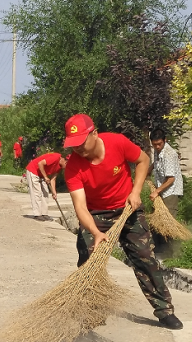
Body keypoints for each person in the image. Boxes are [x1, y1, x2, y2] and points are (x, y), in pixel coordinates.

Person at [62, 113, 183, 330]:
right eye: (73, 144)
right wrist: (95, 232)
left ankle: (164, 311)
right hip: (96, 215)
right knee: (88, 259)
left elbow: (143, 160)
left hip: (129, 209)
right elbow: (80, 206)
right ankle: (92, 313)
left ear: (94, 133)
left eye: (81, 142)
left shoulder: (116, 142)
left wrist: (136, 191)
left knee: (146, 258)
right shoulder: (73, 167)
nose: (77, 148)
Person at [149, 130, 184, 218]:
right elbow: (157, 162)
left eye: (159, 144)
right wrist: (149, 169)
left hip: (169, 193)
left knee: (167, 222)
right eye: (154, 144)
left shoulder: (169, 154)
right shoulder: (159, 151)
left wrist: (156, 192)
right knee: (158, 219)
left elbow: (171, 179)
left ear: (165, 140)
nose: (157, 146)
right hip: (162, 190)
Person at [25, 150, 66, 221]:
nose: (66, 167)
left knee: (46, 193)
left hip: (42, 175)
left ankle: (44, 213)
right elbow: (40, 163)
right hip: (33, 171)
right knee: (36, 193)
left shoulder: (59, 167)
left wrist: (54, 192)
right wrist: (46, 177)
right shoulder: (56, 157)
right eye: (66, 164)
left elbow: (53, 180)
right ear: (63, 160)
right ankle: (37, 214)